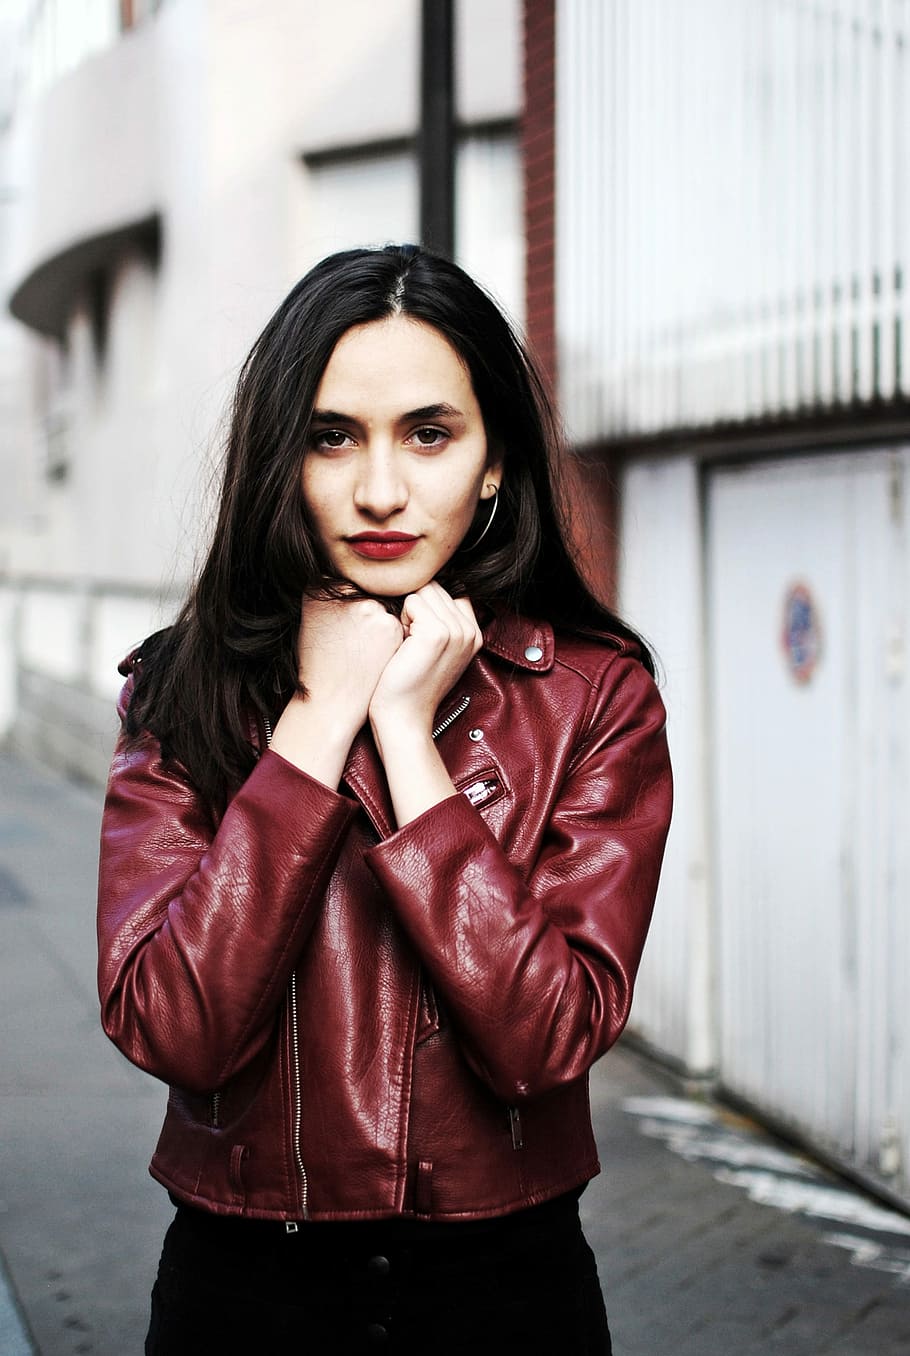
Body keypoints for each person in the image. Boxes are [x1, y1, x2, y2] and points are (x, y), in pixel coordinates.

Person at [96, 243, 672, 1356]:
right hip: (242, 1292)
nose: (379, 491)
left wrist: (408, 739)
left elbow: (545, 1040)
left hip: (505, 1294)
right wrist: (318, 715)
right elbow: (175, 1027)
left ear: (494, 462)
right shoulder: (182, 690)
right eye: (331, 437)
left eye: (428, 433)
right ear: (280, 459)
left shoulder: (595, 697)